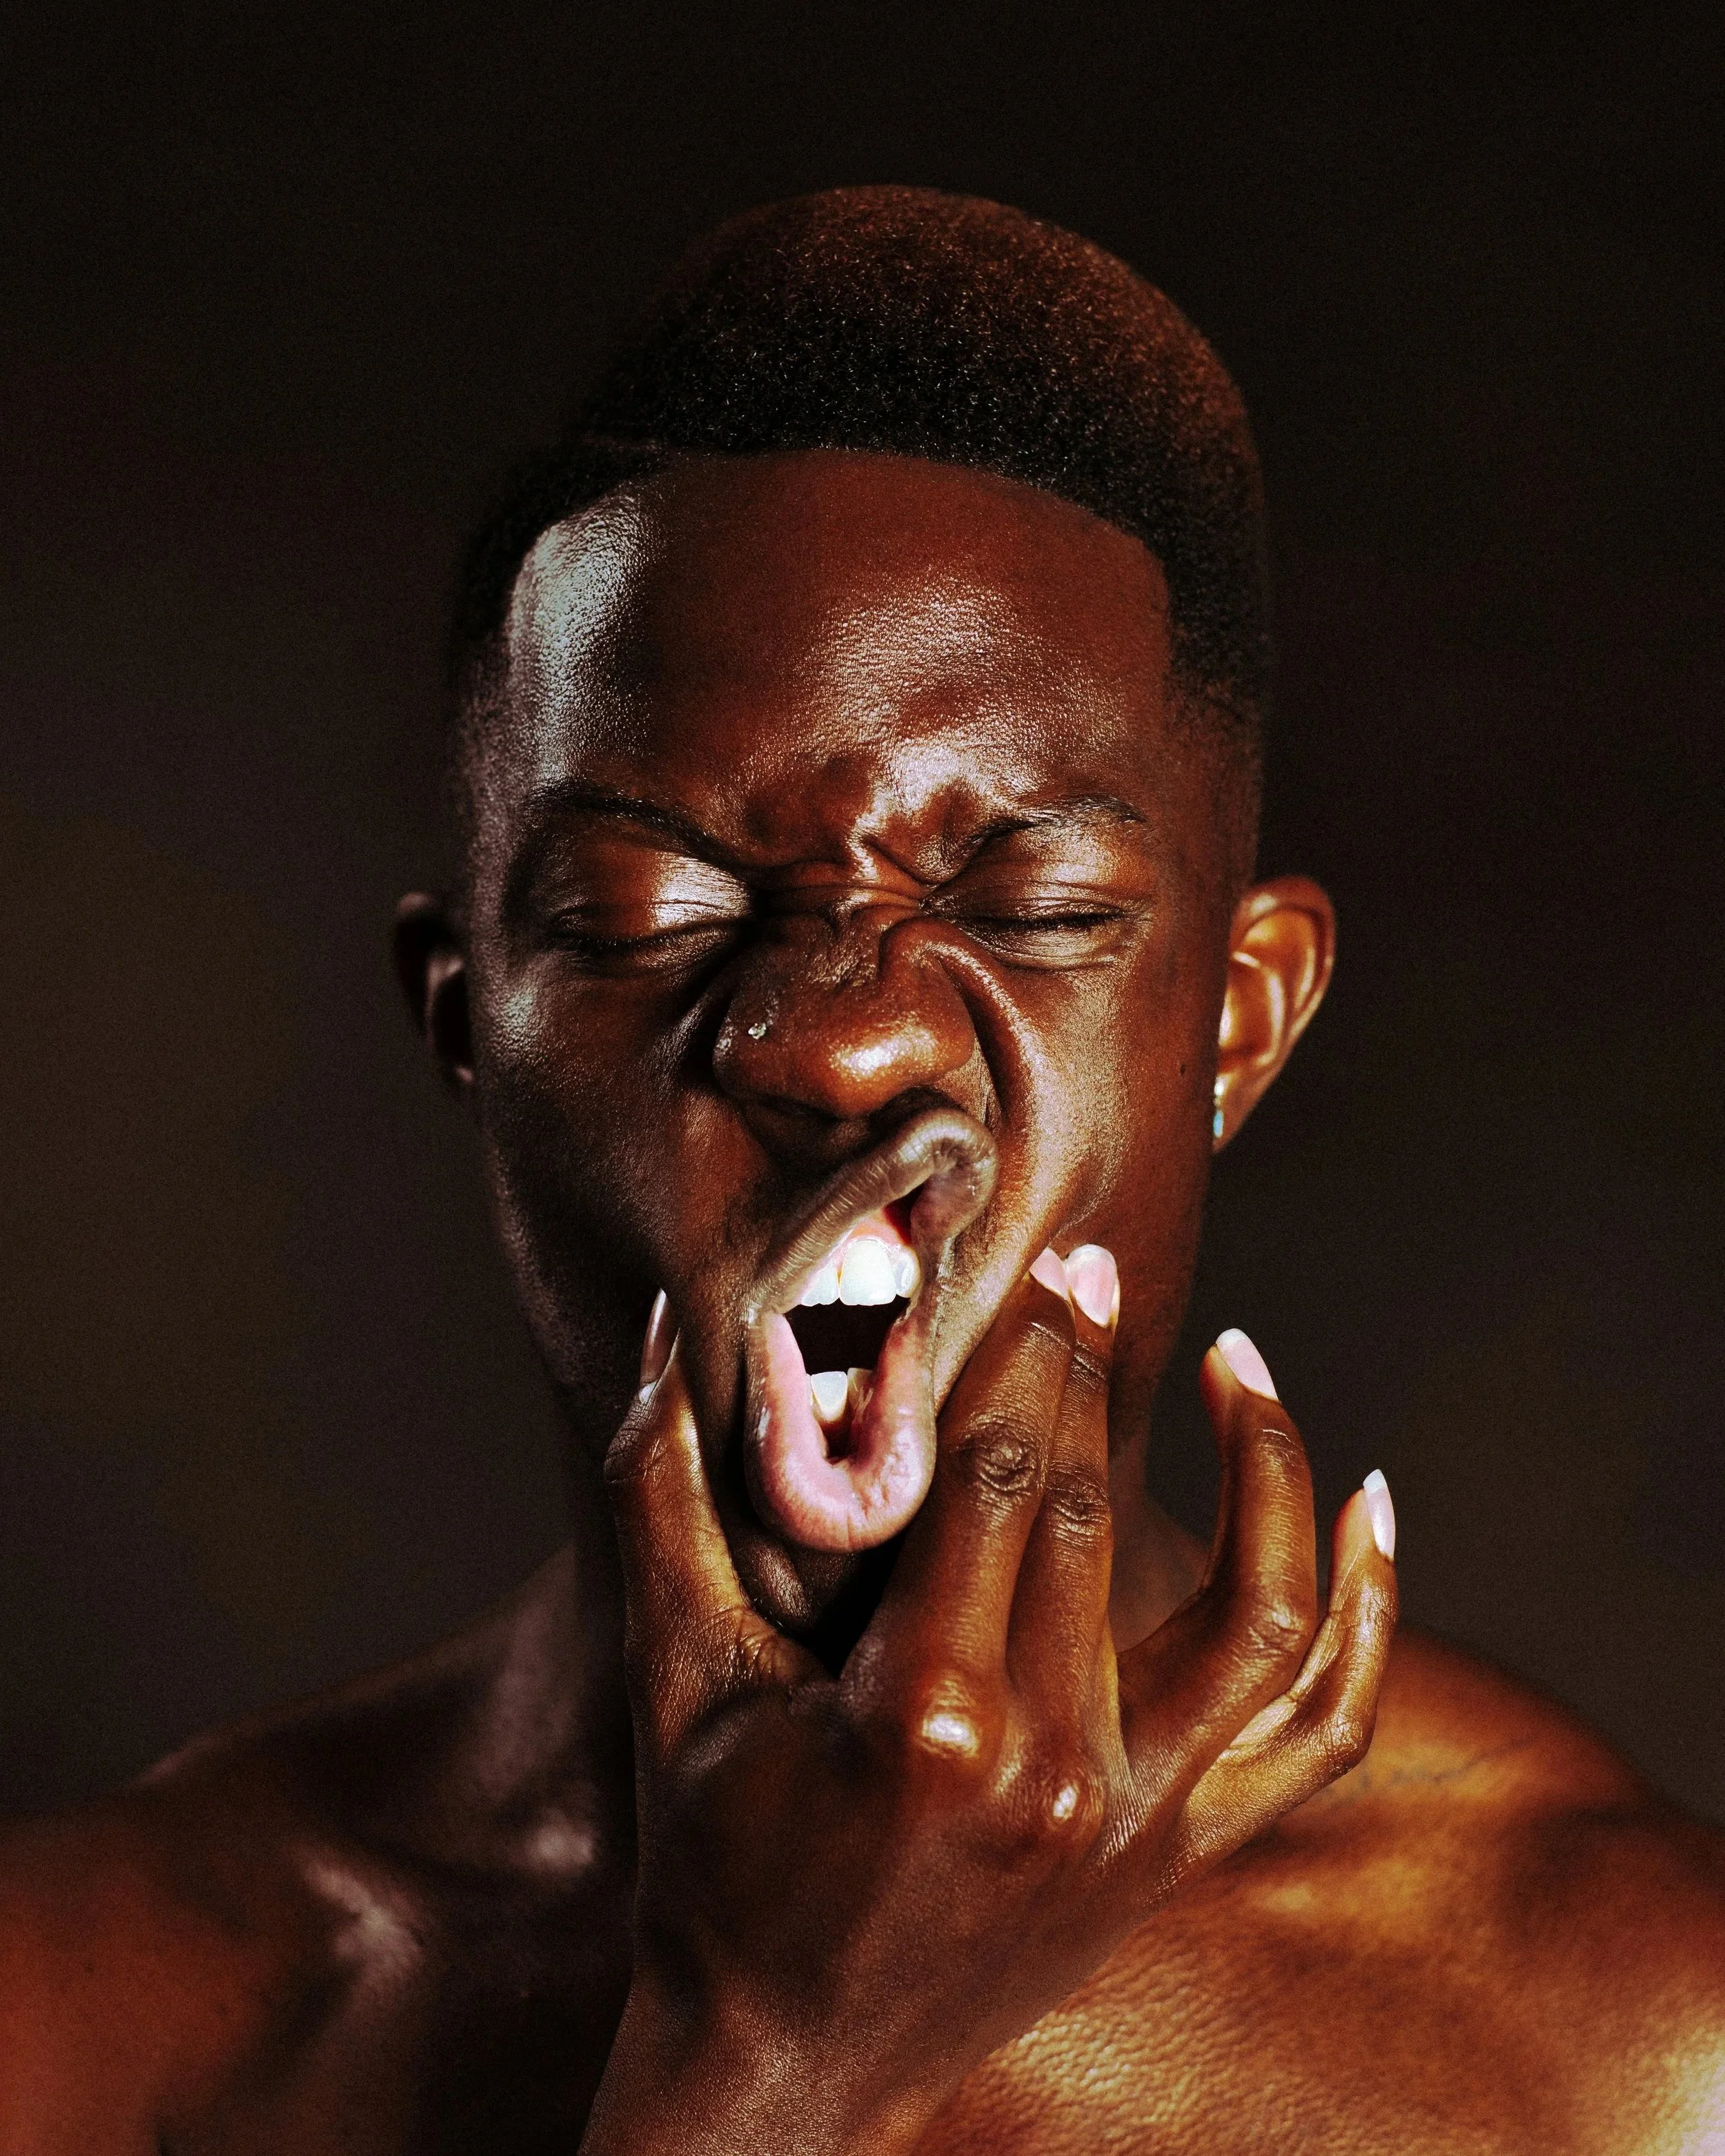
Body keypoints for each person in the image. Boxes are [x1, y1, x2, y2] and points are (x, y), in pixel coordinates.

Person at [1, 186, 1720, 2155]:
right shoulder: (74, 2016)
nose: (839, 1039)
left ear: (1236, 1020)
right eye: (647, 911)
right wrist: (768, 2055)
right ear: (468, 1020)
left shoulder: (1644, 2046)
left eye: (1032, 905)